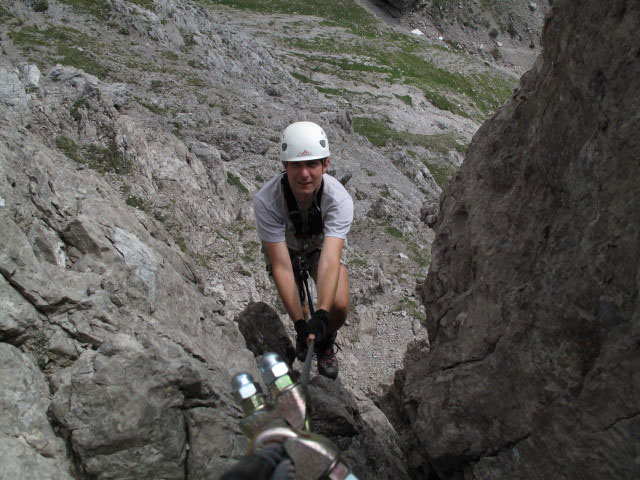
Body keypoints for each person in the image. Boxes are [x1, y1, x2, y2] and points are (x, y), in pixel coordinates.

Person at [253, 121, 354, 379]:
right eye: (296, 165)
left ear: (325, 165)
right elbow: (281, 265)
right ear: (284, 166)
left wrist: (322, 315)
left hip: (319, 247)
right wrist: (299, 323)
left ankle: (324, 339)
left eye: (311, 165)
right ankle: (304, 333)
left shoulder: (338, 199)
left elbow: (331, 259)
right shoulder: (267, 201)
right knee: (298, 304)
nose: (304, 173)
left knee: (339, 306)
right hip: (286, 248)